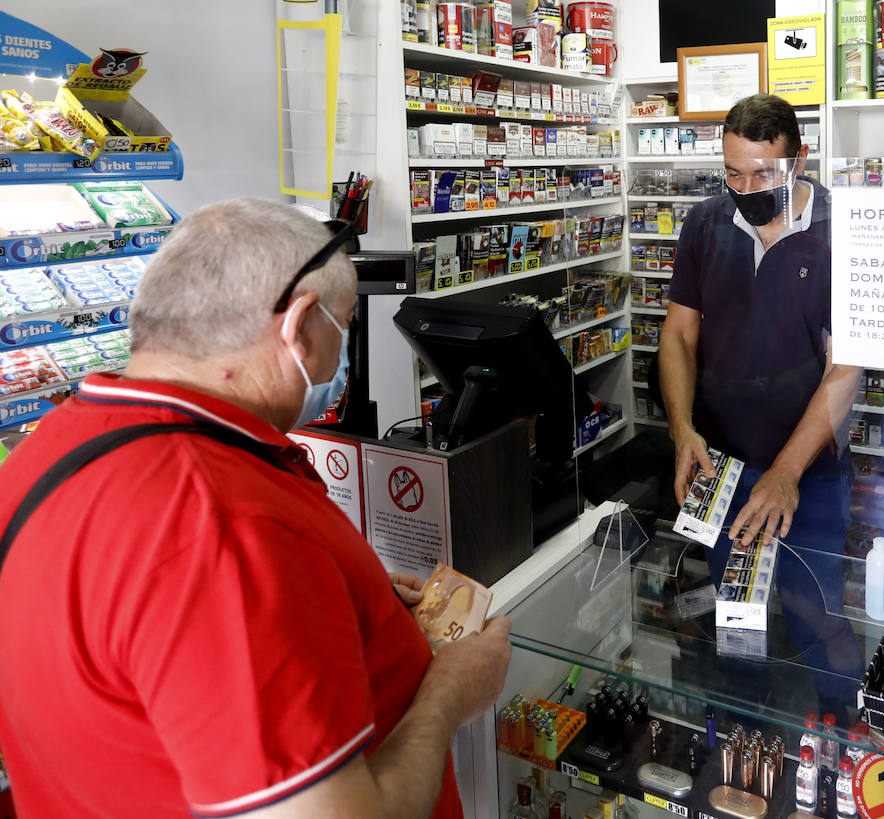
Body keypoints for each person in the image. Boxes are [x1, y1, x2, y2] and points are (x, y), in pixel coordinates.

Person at [0, 199, 511, 818]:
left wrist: (341, 597)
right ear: (298, 325)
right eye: (344, 326)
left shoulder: (50, 448)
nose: (341, 356)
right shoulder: (226, 527)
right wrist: (451, 691)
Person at [660, 94, 863, 714]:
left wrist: (786, 472)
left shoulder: (842, 227)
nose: (746, 187)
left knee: (816, 615)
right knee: (737, 616)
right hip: (723, 465)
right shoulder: (705, 223)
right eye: (733, 172)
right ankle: (748, 741)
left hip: (811, 471)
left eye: (764, 173)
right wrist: (682, 430)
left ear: (798, 160)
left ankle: (851, 737)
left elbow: (847, 364)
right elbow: (678, 334)